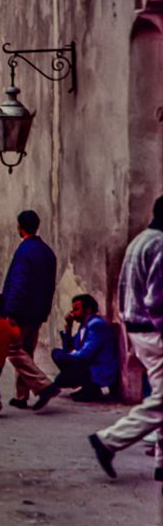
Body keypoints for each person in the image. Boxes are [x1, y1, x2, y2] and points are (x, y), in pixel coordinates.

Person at [90, 195, 163, 481]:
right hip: (154, 330)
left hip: (139, 329)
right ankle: (109, 440)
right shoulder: (159, 245)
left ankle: (160, 461)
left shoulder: (141, 240)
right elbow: (157, 300)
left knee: (160, 395)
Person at [2, 210, 60, 411]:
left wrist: (10, 311)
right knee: (26, 351)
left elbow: (19, 283)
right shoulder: (46, 252)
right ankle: (21, 395)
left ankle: (43, 385)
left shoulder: (24, 252)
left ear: (20, 227)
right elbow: (50, 285)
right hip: (37, 311)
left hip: (21, 311)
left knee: (13, 350)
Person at [52, 294, 119, 401]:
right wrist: (69, 327)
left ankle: (92, 389)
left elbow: (85, 354)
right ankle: (87, 387)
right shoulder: (84, 325)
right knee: (57, 355)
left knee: (61, 358)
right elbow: (69, 347)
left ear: (88, 310)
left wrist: (68, 355)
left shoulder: (96, 324)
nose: (72, 313)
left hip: (100, 369)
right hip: (89, 365)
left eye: (76, 309)